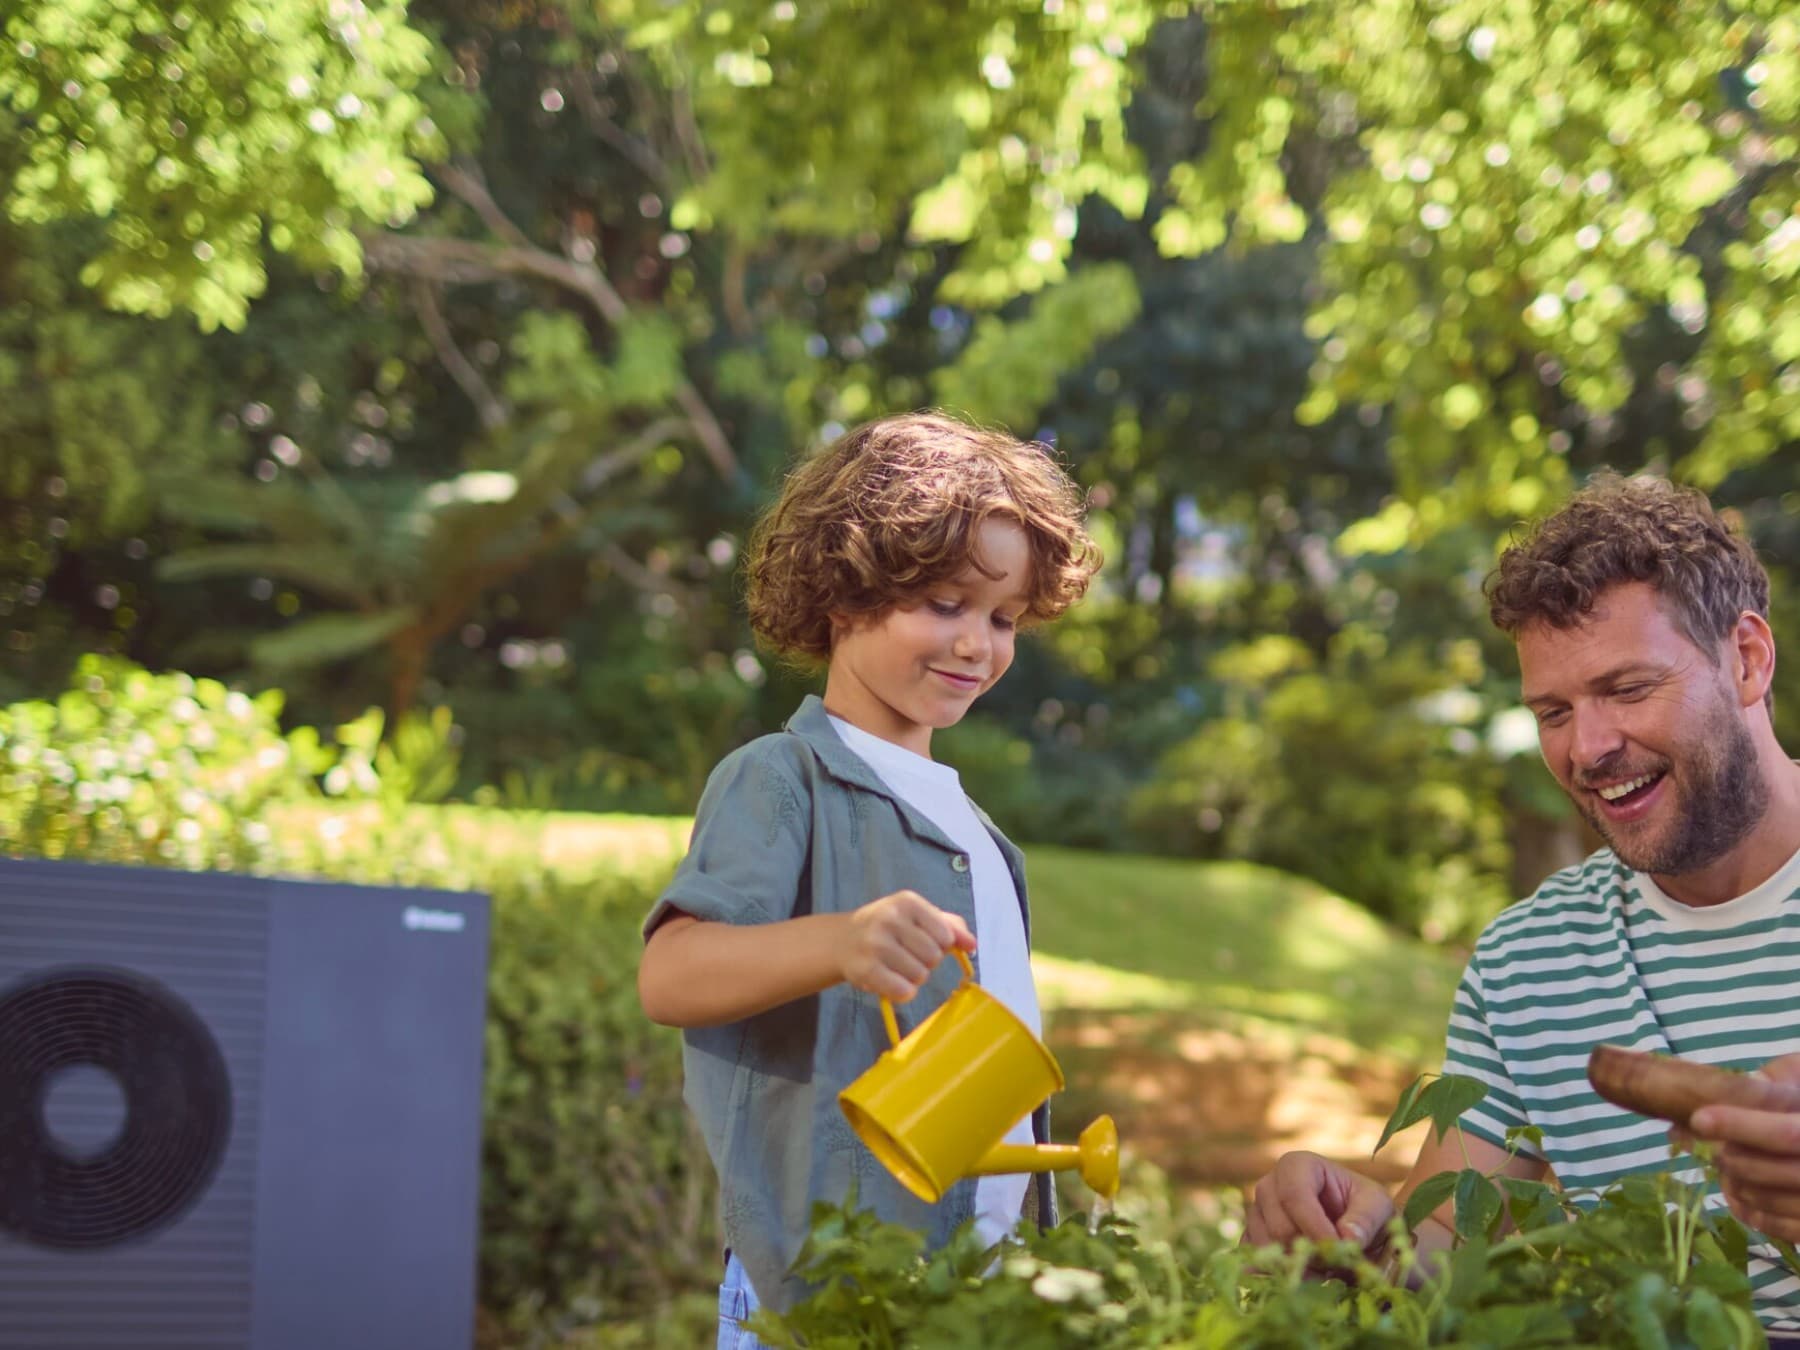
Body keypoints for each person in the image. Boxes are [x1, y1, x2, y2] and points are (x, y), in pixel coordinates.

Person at [1245, 473, 1800, 1338]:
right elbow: (1451, 1246)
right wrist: (1356, 1239)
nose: (1587, 748)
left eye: (1626, 689)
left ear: (1748, 661)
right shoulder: (1527, 959)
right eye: (1552, 710)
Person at [637, 412, 1101, 1347]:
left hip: (967, 1295)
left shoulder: (979, 835)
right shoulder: (781, 778)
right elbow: (671, 976)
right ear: (847, 594)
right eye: (944, 605)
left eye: (1003, 618)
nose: (977, 644)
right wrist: (836, 942)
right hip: (818, 1296)